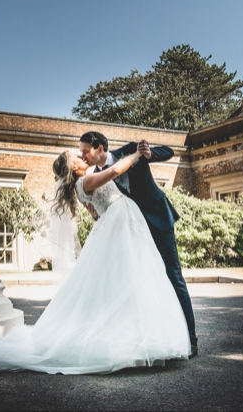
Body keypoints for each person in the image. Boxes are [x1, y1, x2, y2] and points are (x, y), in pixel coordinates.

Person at [0, 150, 190, 374]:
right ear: (72, 169)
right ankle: (131, 343)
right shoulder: (85, 181)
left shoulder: (83, 183)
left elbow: (99, 207)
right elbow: (115, 170)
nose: (82, 157)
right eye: (76, 157)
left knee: (126, 281)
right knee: (128, 279)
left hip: (120, 224)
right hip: (119, 225)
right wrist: (136, 155)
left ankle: (140, 338)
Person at [79, 131, 198, 357]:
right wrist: (94, 213)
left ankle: (191, 341)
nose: (83, 155)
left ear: (99, 148)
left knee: (174, 277)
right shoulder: (95, 176)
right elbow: (106, 207)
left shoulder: (130, 150)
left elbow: (169, 151)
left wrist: (149, 153)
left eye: (86, 150)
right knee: (142, 284)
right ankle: (154, 339)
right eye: (81, 152)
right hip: (132, 231)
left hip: (158, 220)